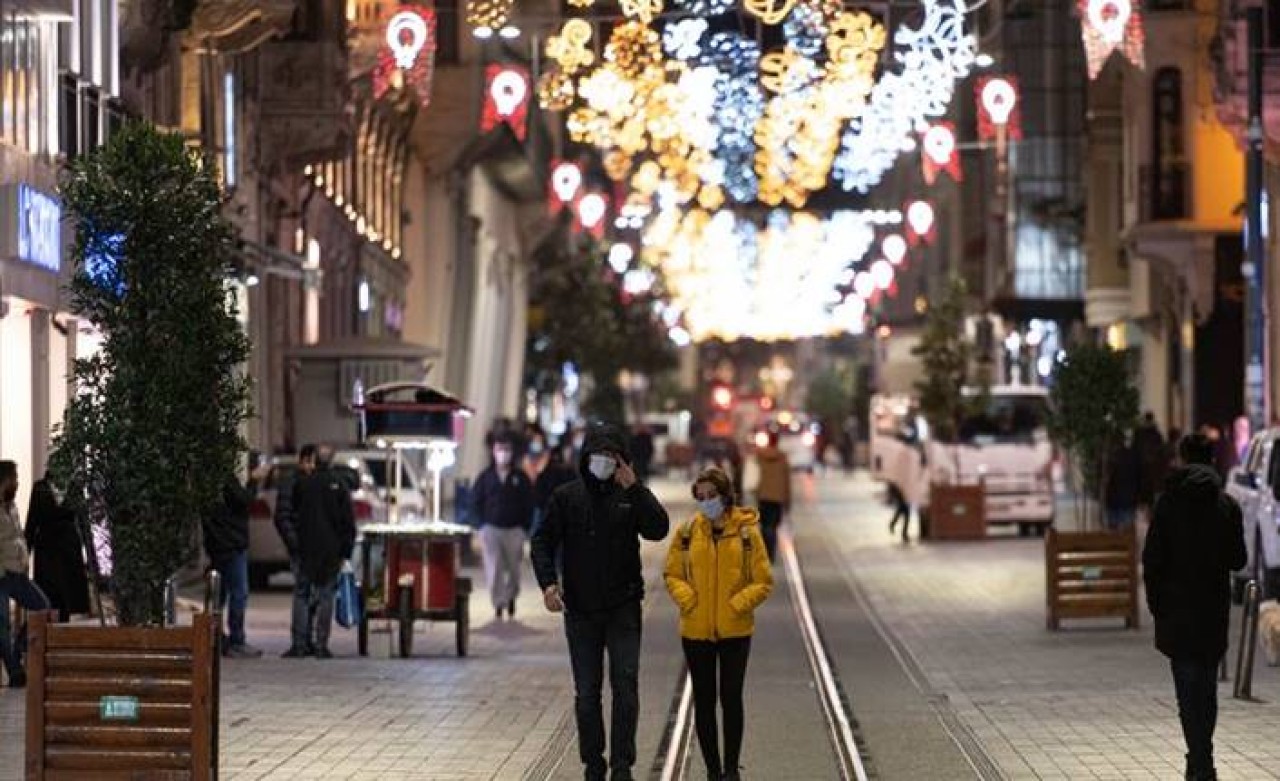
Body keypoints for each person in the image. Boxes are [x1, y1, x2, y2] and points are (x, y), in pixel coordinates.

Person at [531, 424, 670, 781]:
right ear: (585, 458)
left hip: (623, 607)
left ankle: (622, 765)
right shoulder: (567, 497)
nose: (604, 463)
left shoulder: (630, 495)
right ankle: (594, 763)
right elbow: (542, 541)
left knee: (626, 686)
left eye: (612, 457)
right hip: (580, 610)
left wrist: (634, 488)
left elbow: (658, 528)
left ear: (623, 462)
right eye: (599, 456)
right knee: (587, 693)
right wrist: (548, 584)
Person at [1142, 434, 1246, 781]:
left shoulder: (1167, 505)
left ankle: (1199, 761)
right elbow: (1238, 559)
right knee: (1207, 689)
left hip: (1176, 611)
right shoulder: (1227, 506)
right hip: (1212, 611)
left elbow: (1152, 560)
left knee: (1187, 692)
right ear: (1212, 461)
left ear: (1182, 459)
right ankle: (1202, 761)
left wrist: (1156, 604)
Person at [664, 467, 772, 781]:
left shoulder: (747, 533)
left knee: (731, 697)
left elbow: (763, 581)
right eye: (701, 497)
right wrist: (688, 600)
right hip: (696, 631)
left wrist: (737, 604)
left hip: (735, 631)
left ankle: (730, 769)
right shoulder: (686, 533)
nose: (707, 501)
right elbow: (672, 574)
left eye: (712, 496)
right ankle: (713, 770)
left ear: (726, 496)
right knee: (705, 700)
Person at [286, 445, 356, 659]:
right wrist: (346, 551)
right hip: (330, 550)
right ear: (332, 460)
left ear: (315, 460)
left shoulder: (302, 483)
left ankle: (299, 645)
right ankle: (321, 645)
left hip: (306, 548)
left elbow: (294, 513)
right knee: (326, 596)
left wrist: (295, 543)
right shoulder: (339, 485)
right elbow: (348, 523)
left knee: (302, 594)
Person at [202, 461, 268, 658]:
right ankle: (236, 640)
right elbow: (245, 500)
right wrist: (254, 481)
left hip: (217, 544)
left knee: (218, 595)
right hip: (231, 544)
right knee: (238, 593)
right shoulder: (224, 478)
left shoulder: (206, 480)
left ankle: (217, 638)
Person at [472, 433, 536, 620]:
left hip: (515, 529)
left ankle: (511, 596)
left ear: (512, 452)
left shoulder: (520, 477)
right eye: (500, 449)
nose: (503, 454)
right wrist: (480, 526)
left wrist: (526, 527)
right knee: (494, 568)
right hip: (491, 529)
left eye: (506, 450)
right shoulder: (485, 477)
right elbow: (475, 502)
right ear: (494, 452)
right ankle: (499, 603)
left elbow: (529, 503)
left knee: (514, 570)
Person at [0, 461, 51, 688]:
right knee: (2, 625)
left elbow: (19, 536)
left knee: (42, 606)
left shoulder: (11, 506)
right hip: (1, 574)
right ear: (5, 480)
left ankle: (19, 649)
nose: (18, 482)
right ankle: (15, 672)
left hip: (17, 573)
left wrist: (24, 561)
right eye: (15, 477)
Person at [24, 476, 90, 623]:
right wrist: (24, 554)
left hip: (69, 545)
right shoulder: (40, 487)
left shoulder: (74, 486)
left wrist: (92, 557)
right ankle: (49, 630)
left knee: (70, 593)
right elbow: (32, 520)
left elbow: (83, 520)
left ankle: (66, 632)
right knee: (48, 593)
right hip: (46, 546)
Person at [277, 444, 316, 656]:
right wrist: (295, 543)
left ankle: (305, 640)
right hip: (301, 548)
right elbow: (282, 516)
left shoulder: (309, 482)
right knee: (303, 592)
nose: (311, 467)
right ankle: (300, 642)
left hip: (311, 547)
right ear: (301, 461)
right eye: (308, 462)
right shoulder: (292, 482)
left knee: (311, 594)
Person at [753, 431, 791, 560]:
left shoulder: (760, 456)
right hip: (777, 497)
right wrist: (787, 500)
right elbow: (787, 481)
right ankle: (771, 553)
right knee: (773, 526)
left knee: (764, 525)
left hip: (763, 496)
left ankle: (765, 551)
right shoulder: (783, 458)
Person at [1104, 436, 1141, 531]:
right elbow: (1139, 476)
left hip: (1114, 499)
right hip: (1129, 497)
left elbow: (1107, 478)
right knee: (1128, 530)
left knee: (1113, 530)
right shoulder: (1133, 455)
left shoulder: (1111, 456)